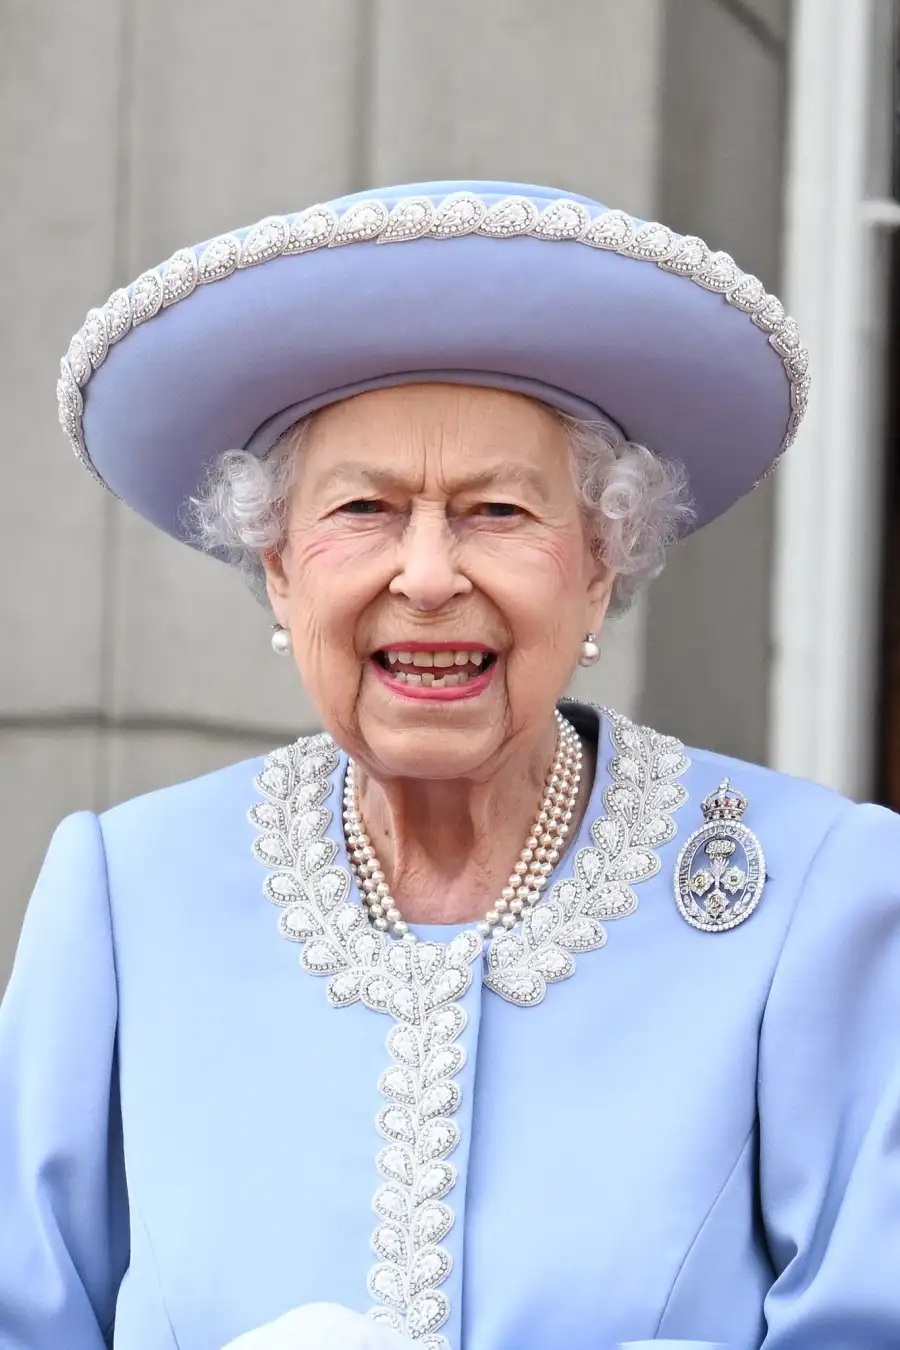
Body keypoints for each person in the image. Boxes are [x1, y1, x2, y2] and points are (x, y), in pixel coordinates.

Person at [0, 179, 897, 1350]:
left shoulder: (813, 891)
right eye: (365, 508)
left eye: (497, 513)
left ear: (599, 566)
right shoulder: (125, 892)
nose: (426, 577)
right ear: (280, 571)